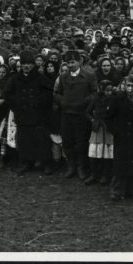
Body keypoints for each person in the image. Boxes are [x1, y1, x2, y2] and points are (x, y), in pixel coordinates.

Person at [5, 50, 54, 174]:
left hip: (38, 115)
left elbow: (49, 93)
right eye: (24, 64)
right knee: (23, 140)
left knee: (41, 139)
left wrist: (39, 103)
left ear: (33, 65)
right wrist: (16, 105)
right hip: (22, 115)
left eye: (29, 64)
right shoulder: (15, 78)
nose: (26, 66)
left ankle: (46, 163)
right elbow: (8, 94)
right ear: (21, 65)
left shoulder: (40, 78)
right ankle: (25, 163)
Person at [54, 49, 97, 180]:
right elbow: (56, 93)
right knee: (67, 141)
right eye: (68, 63)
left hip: (81, 115)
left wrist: (85, 102)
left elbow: (95, 93)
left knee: (81, 142)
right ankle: (71, 166)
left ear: (80, 61)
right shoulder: (63, 77)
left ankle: (81, 167)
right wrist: (63, 102)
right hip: (67, 114)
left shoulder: (89, 76)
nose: (70, 65)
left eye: (73, 62)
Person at [85, 79, 115, 185]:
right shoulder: (96, 99)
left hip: (108, 129)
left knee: (107, 153)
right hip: (97, 129)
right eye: (107, 90)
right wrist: (93, 120)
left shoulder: (114, 100)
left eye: (111, 90)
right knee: (94, 152)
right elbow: (88, 112)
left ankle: (105, 175)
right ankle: (94, 175)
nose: (109, 93)